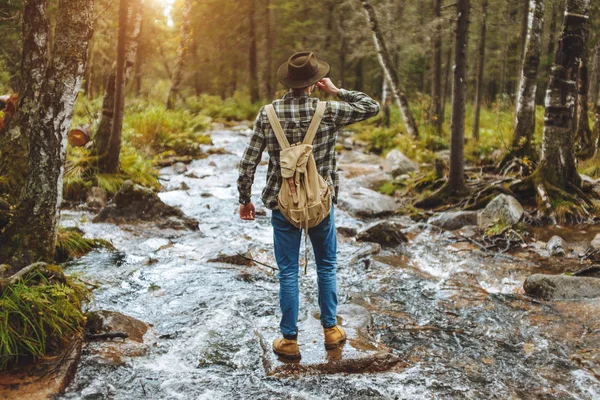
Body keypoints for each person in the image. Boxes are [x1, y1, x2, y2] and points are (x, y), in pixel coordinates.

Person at [237, 51, 379, 359]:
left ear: (288, 82)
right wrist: (337, 91)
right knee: (326, 265)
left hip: (281, 203)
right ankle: (331, 331)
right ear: (314, 83)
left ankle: (289, 340)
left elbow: (249, 161)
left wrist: (245, 199)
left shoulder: (267, 113)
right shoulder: (327, 111)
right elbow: (371, 106)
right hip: (320, 204)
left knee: (287, 271)